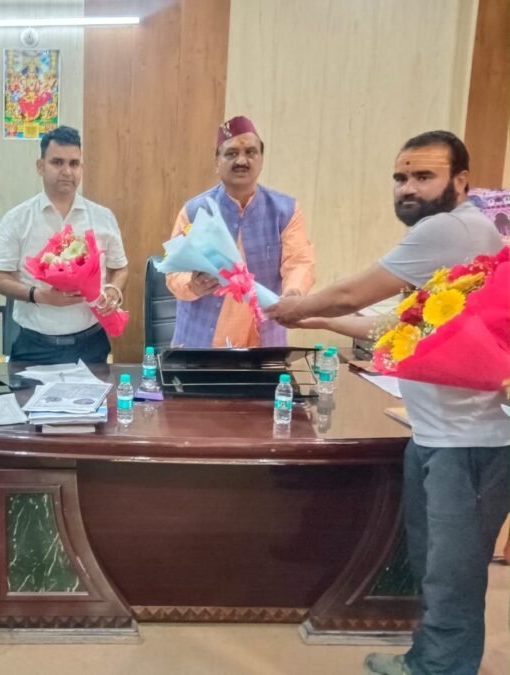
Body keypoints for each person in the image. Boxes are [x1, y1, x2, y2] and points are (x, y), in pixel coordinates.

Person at [266, 131, 509, 675]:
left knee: (452, 574)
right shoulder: (458, 235)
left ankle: (442, 668)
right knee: (432, 564)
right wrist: (321, 319)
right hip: (437, 433)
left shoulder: (450, 229)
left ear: (461, 181)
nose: (407, 188)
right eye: (400, 177)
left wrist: (298, 306)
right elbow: (394, 325)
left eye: (424, 176)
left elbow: (355, 292)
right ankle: (427, 660)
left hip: (469, 442)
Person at [166, 115, 315, 347]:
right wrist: (193, 285)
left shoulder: (285, 210)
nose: (241, 161)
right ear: (217, 162)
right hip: (201, 340)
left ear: (261, 159)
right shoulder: (195, 211)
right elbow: (173, 271)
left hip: (263, 338)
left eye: (250, 152)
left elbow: (299, 262)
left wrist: (293, 292)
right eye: (231, 153)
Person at [0, 125, 128, 363]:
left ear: (81, 168)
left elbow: (120, 267)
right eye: (57, 162)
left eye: (74, 163)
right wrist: (38, 295)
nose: (66, 171)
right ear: (40, 166)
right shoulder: (17, 219)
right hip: (34, 345)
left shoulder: (102, 217)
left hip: (91, 343)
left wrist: (114, 290)